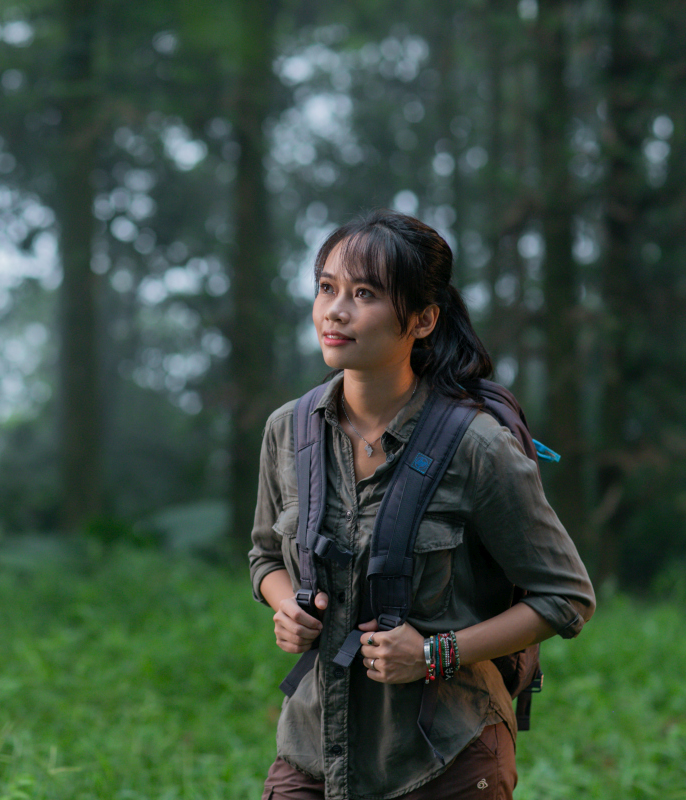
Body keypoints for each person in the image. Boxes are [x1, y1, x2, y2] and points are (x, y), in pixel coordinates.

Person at [248, 209, 595, 800]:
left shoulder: (477, 446)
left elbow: (567, 598)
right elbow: (264, 556)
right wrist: (287, 606)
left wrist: (436, 653)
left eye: (364, 294)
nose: (335, 310)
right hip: (314, 745)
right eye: (327, 288)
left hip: (445, 756)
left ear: (424, 319)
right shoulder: (290, 430)